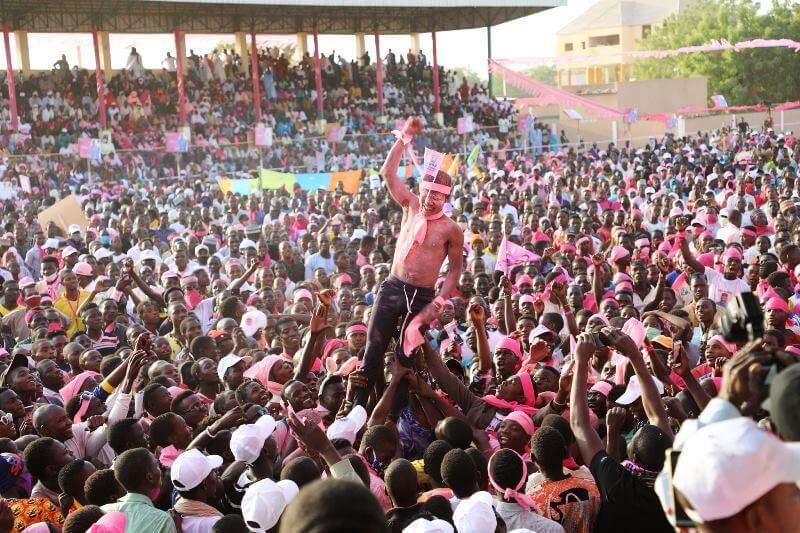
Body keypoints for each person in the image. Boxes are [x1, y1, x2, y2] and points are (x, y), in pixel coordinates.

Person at [356, 117, 464, 406]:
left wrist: (440, 300)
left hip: (422, 298)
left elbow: (455, 270)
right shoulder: (411, 205)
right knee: (373, 350)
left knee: (406, 357)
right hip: (393, 288)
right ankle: (355, 408)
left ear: (446, 198)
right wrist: (402, 140)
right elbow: (387, 174)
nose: (430, 200)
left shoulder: (451, 229)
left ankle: (396, 414)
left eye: (437, 196)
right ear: (422, 189)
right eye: (427, 192)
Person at [101, 447, 178, 533]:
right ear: (150, 477)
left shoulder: (102, 512)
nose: (161, 467)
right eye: (156, 465)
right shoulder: (162, 521)